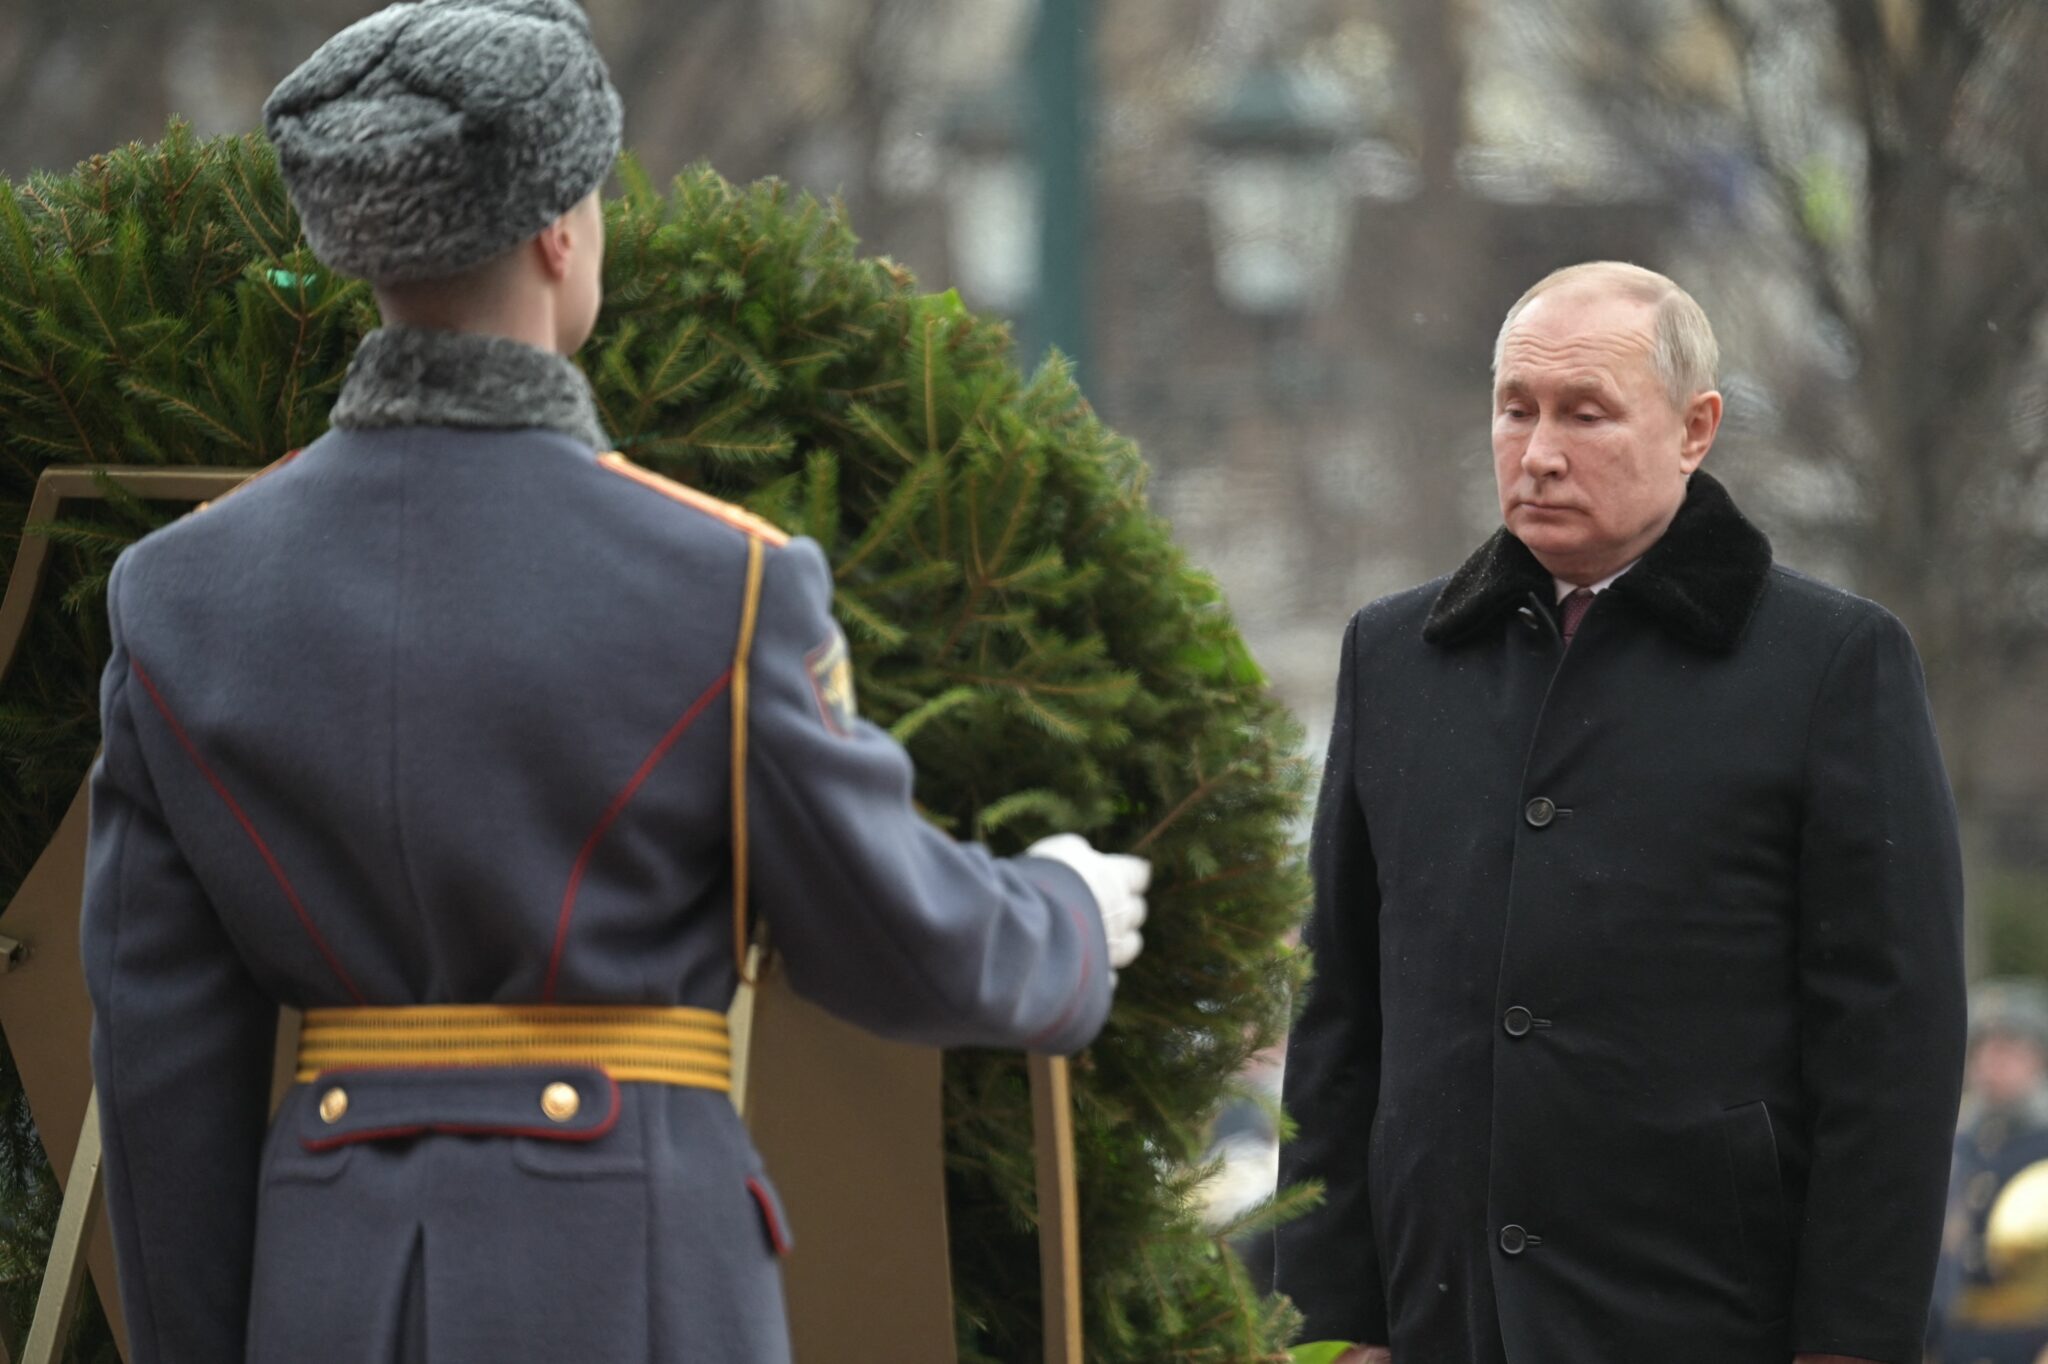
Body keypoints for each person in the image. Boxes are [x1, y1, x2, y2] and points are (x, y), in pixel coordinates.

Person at [79, 3, 1147, 1361]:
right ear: (559, 231)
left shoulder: (177, 595)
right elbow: (897, 938)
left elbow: (160, 1064)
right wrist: (1060, 911)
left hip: (331, 1293)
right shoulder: (722, 579)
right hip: (633, 1276)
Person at [1274, 261, 1966, 1364]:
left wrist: (1850, 1341)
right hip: (1437, 1318)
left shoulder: (1831, 663)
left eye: (1583, 412)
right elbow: (1337, 1016)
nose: (1538, 450)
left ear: (1695, 430)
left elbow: (1891, 1045)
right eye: (1514, 408)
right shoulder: (1392, 658)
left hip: (1704, 1316)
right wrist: (1324, 1319)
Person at [1929, 980, 2048, 1364]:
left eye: (2009, 1049)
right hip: (1957, 1341)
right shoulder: (1957, 1140)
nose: (1993, 1062)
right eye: (1985, 1049)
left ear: (2038, 1059)